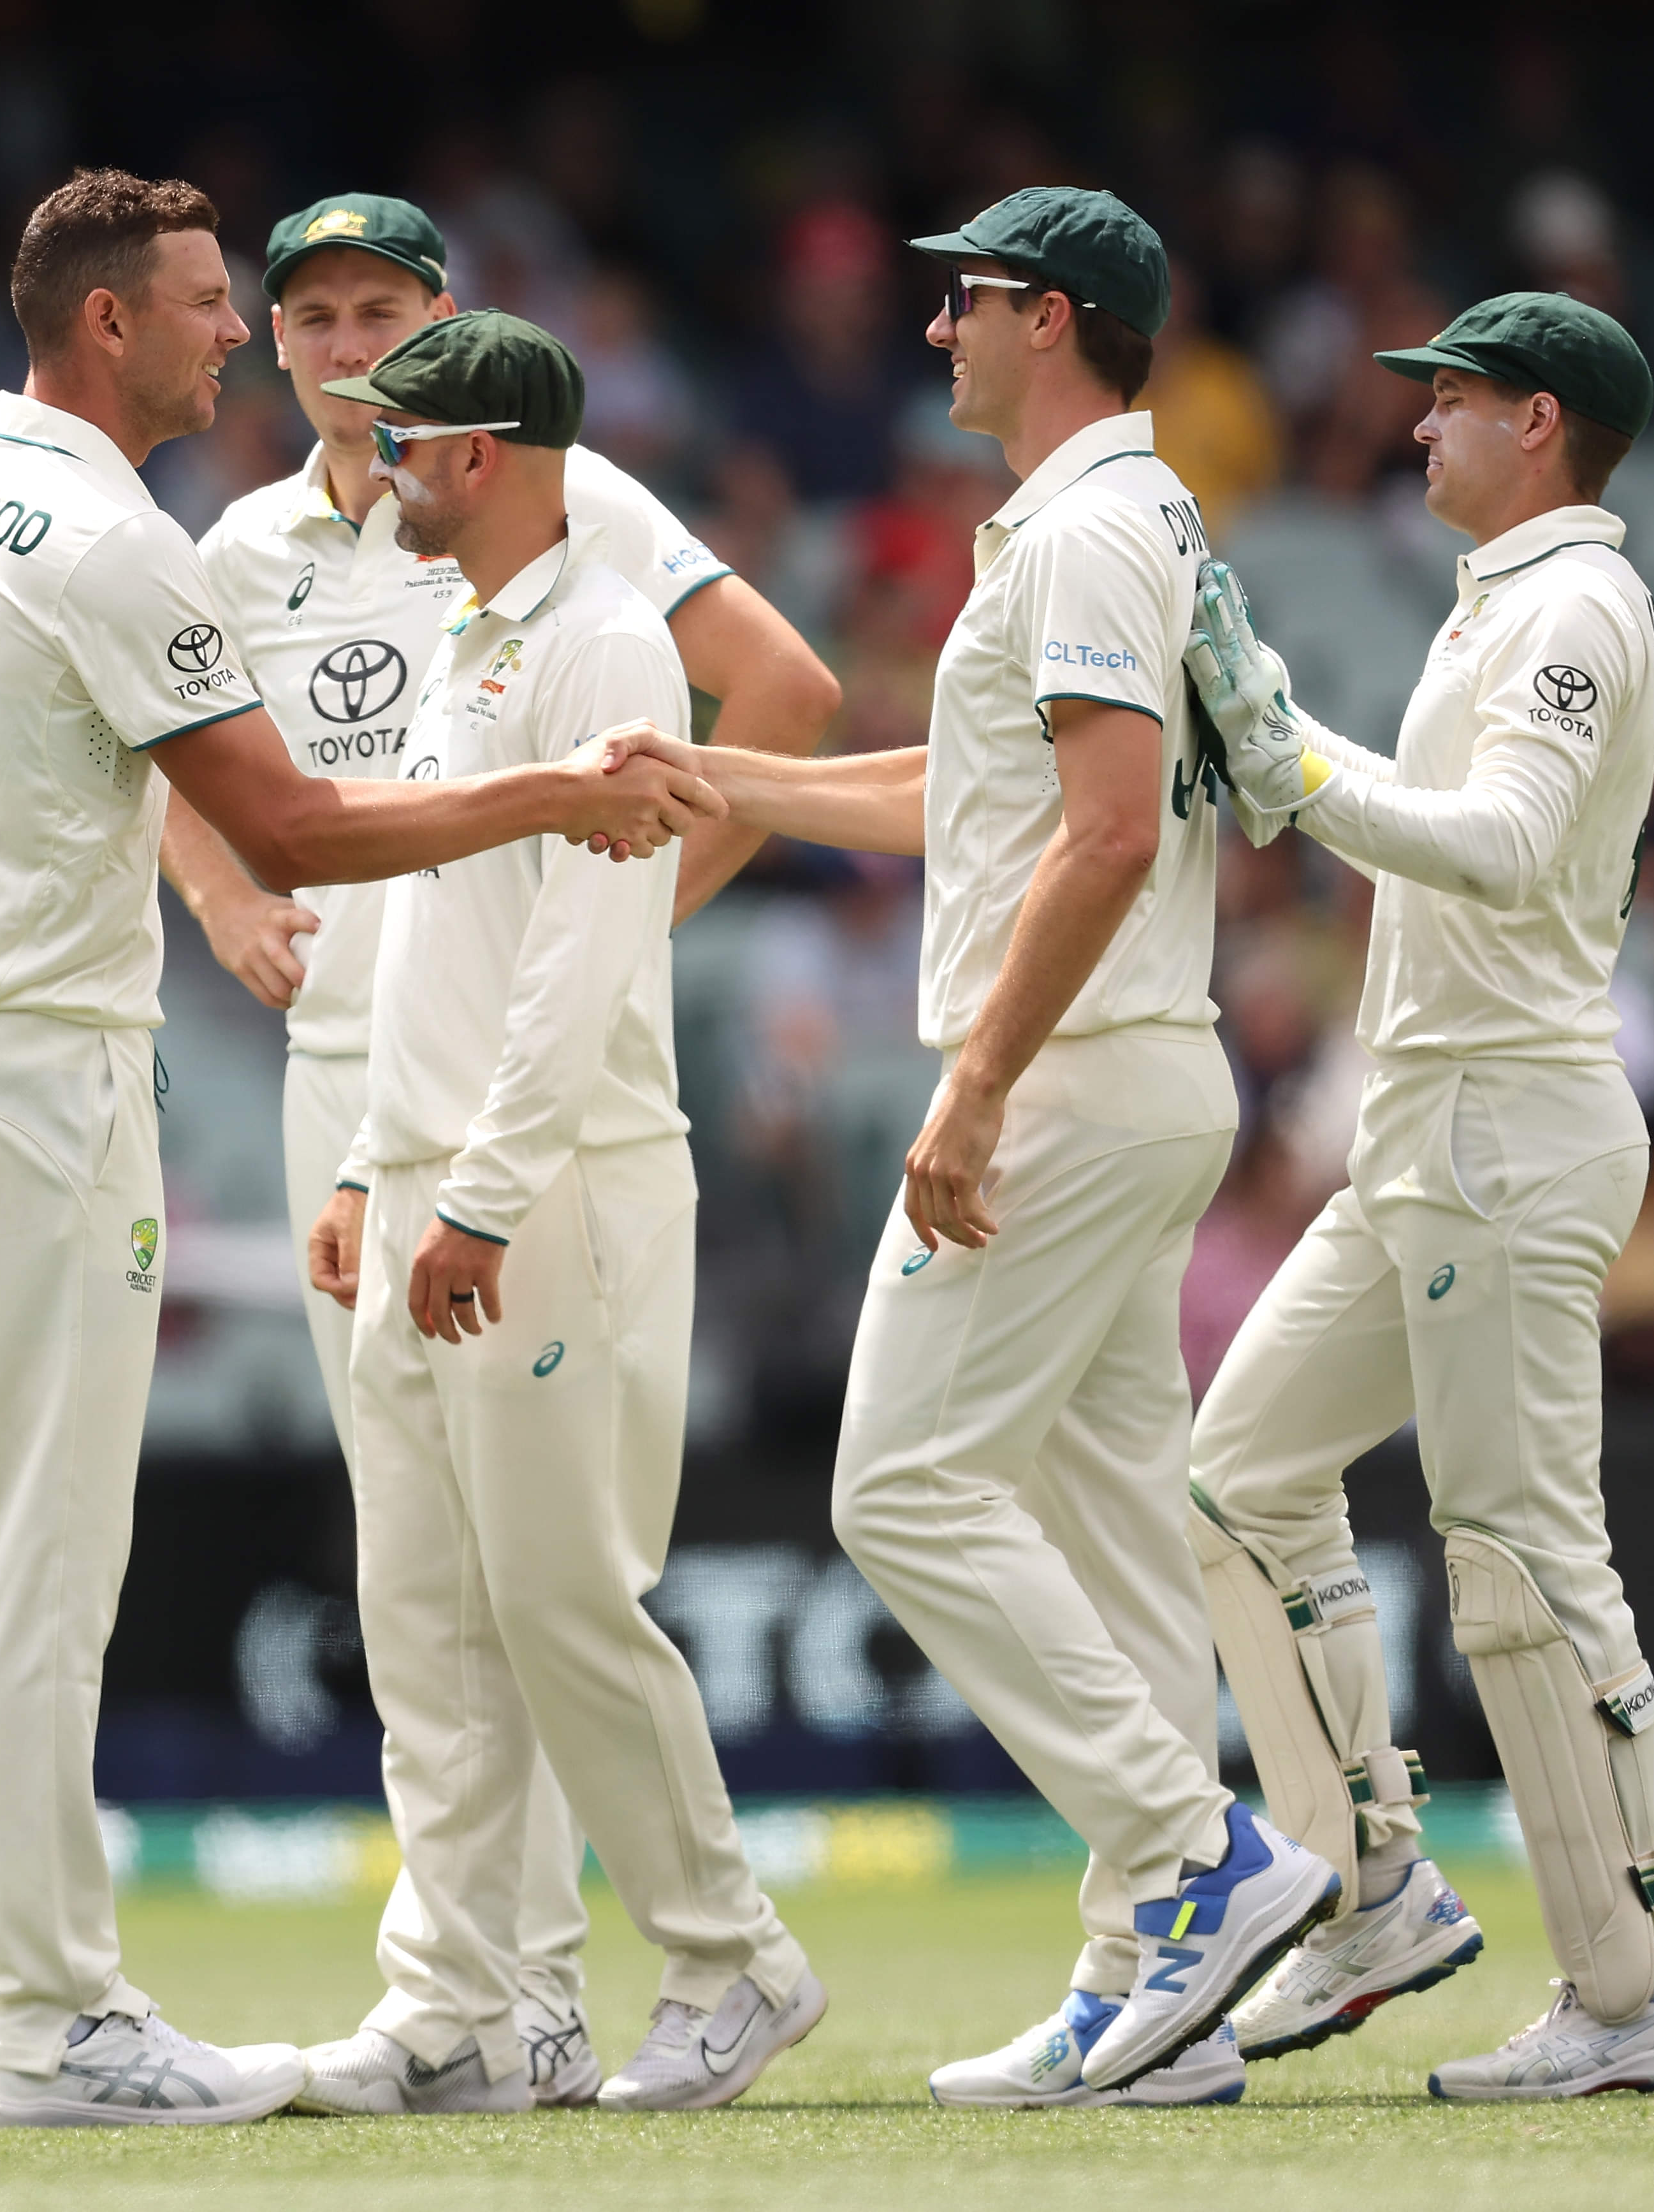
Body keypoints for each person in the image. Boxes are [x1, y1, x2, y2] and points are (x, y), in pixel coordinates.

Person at [0, 168, 718, 2134]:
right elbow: (290, 831)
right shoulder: (127, 542)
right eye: (216, 303)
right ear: (110, 325)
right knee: (43, 1565)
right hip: (33, 1075)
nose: (242, 334)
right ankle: (59, 2029)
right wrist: (552, 793)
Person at [600, 186, 1342, 2105]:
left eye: (972, 301)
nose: (939, 331)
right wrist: (731, 772)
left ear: (1064, 318)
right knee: (1104, 1535)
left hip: (1078, 1080)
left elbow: (1100, 838)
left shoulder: (1091, 527)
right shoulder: (1115, 516)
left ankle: (1201, 1865)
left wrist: (983, 1077)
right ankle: (1146, 1993)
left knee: (906, 1487)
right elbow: (984, 795)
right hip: (1142, 1071)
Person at [175, 189, 840, 2105]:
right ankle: (475, 2003)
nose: (339, 346)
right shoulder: (281, 552)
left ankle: (672, 1961)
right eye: (305, 314)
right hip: (371, 1091)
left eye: (379, 311)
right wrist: (235, 919)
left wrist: (612, 934)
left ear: (455, 347)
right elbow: (151, 749)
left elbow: (781, 706)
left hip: (547, 1113)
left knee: (547, 1571)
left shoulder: (570, 538)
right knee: (421, 1575)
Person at [1184, 293, 1654, 2097]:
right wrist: (1295, 743)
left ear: (1544, 423)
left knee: (1517, 1555)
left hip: (1511, 1125)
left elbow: (1497, 845)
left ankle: (1638, 1985)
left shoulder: (1577, 605)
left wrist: (1293, 757)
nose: (1416, 429)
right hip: (1427, 1131)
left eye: (1452, 404)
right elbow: (1445, 816)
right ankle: (1370, 1888)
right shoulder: (1509, 593)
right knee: (1242, 1472)